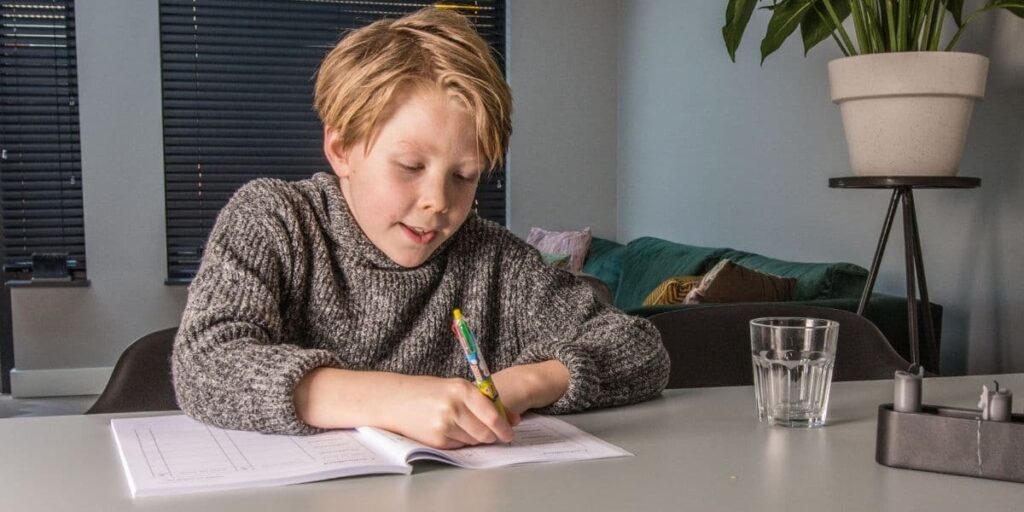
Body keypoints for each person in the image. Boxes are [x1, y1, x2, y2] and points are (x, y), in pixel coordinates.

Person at [172, 7, 669, 450]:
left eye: (464, 176)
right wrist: (393, 400)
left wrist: (524, 383)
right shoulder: (275, 220)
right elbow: (205, 364)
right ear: (341, 150)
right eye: (410, 166)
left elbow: (640, 350)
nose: (439, 202)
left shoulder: (494, 261)